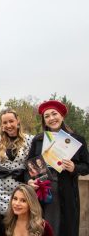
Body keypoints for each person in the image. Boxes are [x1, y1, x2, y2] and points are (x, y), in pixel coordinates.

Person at [26, 100, 89, 236]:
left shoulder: (77, 140)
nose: (51, 118)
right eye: (47, 116)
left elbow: (86, 166)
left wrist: (74, 168)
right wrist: (30, 181)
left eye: (54, 114)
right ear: (44, 120)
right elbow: (28, 166)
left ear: (62, 116)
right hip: (42, 194)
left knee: (66, 228)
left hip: (66, 194)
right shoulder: (38, 140)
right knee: (42, 228)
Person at [0, 109, 33, 214]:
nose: (8, 125)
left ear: (18, 121)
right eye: (5, 123)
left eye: (11, 121)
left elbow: (33, 167)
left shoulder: (30, 141)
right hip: (0, 192)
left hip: (22, 192)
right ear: (2, 125)